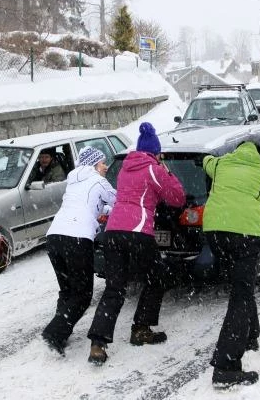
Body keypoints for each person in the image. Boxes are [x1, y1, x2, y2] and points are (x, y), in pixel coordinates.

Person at [86, 122, 186, 365]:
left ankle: (98, 344)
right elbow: (177, 198)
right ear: (155, 152)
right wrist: (167, 170)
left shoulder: (124, 169)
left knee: (115, 288)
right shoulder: (153, 168)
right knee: (157, 277)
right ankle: (141, 329)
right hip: (138, 232)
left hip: (112, 232)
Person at [202, 141, 260, 388]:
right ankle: (226, 367)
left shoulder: (221, 163)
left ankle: (250, 335)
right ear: (259, 155)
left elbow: (206, 161)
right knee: (241, 295)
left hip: (215, 233)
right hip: (245, 235)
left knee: (241, 287)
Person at [41, 146, 116, 354]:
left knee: (67, 290)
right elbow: (118, 200)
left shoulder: (73, 182)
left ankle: (60, 333)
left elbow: (91, 205)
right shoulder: (98, 181)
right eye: (102, 162)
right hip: (77, 238)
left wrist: (104, 211)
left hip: (55, 236)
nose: (106, 166)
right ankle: (53, 334)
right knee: (83, 295)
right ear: (94, 164)